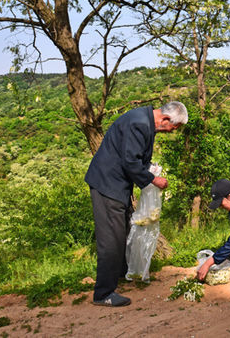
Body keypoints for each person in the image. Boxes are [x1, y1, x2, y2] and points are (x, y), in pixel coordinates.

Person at [85, 101, 188, 307]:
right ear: (166, 119)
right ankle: (103, 293)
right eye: (174, 128)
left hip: (117, 185)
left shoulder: (145, 119)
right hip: (107, 184)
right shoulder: (139, 123)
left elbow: (136, 156)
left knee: (123, 229)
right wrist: (153, 180)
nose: (172, 132)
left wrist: (150, 168)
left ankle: (121, 273)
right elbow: (130, 162)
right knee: (111, 239)